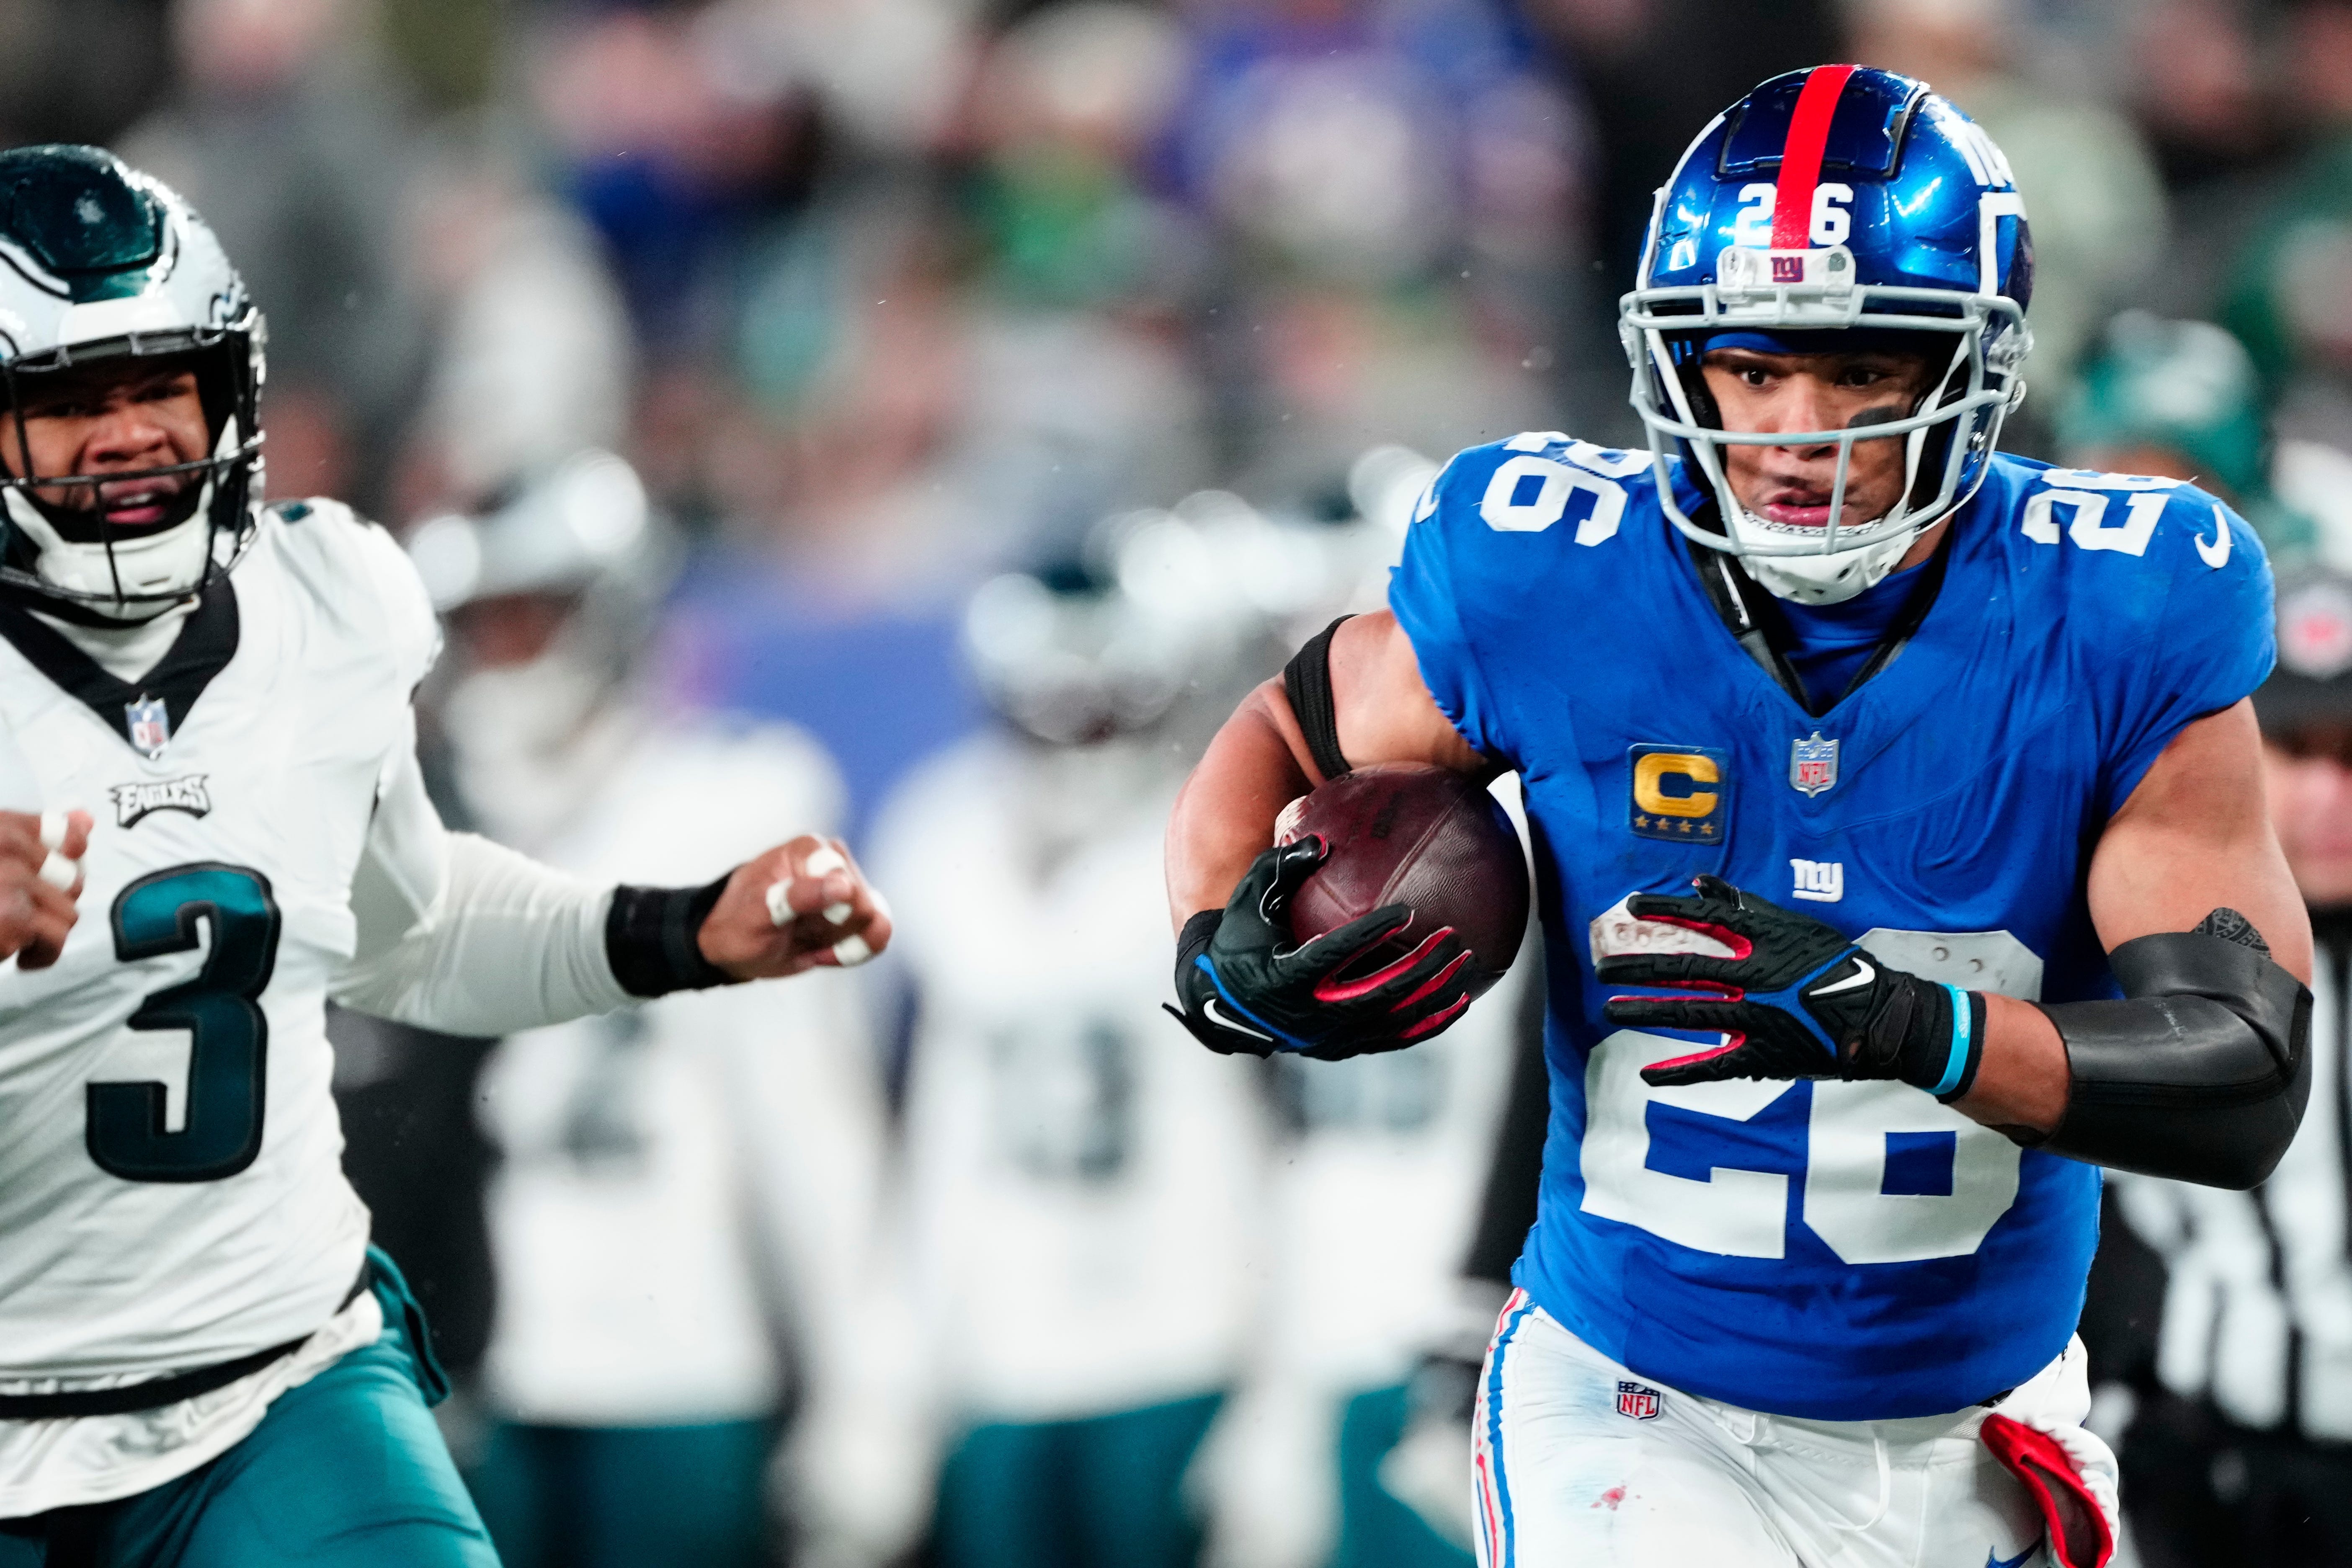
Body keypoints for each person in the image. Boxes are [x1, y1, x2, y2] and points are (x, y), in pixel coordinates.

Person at [1162, 65, 2309, 1568]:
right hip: (1637, 1401)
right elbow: (1277, 726)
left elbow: (2236, 1075)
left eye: (1861, 373)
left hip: (1978, 1429)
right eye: (1750, 368)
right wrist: (1213, 945)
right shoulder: (1547, 574)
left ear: (1973, 372)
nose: (1793, 432)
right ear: (1674, 365)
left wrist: (1905, 1026)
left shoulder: (2116, 606)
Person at [0, 144, 889, 1567]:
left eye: (157, 386)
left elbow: (409, 931)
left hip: (271, 1383)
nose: (128, 436)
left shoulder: (322, 608)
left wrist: (671, 930)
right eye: (69, 403)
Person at [405, 453, 904, 1568]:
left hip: (681, 1367)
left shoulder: (731, 796)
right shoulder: (422, 826)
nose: (501, 656)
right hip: (475, 1376)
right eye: (480, 625)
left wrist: (864, 1395)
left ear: (607, 612)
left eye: (529, 620)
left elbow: (814, 1135)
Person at [869, 518, 1281, 1568]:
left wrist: (1282, 1387)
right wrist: (893, 1375)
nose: (1080, 735)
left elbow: (1290, 1143)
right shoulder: (940, 843)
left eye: (1105, 711)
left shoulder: (1241, 843)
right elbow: (921, 1130)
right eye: (1056, 712)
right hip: (998, 1350)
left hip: (1183, 1343)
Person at [2086, 544, 2352, 1568]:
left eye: (2351, 753)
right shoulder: (2141, 933)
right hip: (2210, 1467)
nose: (2327, 794)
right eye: (2296, 751)